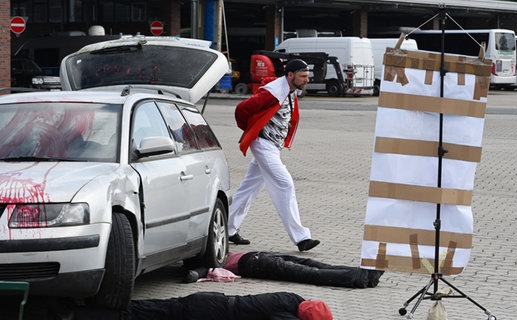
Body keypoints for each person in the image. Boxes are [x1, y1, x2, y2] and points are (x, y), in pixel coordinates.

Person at [229, 59, 319, 252]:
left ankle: (226, 228)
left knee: (248, 189)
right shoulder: (273, 91)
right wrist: (252, 131)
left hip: (271, 147)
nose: (306, 80)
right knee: (285, 184)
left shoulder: (290, 89)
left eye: (307, 76)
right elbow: (241, 109)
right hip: (264, 145)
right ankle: (301, 237)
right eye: (303, 76)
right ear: (290, 75)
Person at [46, 292, 333, 320]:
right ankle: (77, 314)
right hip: (209, 313)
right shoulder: (285, 315)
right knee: (138, 316)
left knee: (145, 310)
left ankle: (79, 308)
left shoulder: (292, 299)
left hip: (210, 300)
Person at [191, 251, 383, 289]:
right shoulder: (210, 252)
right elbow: (195, 273)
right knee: (313, 267)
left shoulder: (203, 258)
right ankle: (366, 274)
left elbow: (194, 273)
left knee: (311, 273)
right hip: (258, 257)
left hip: (257, 263)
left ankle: (361, 276)